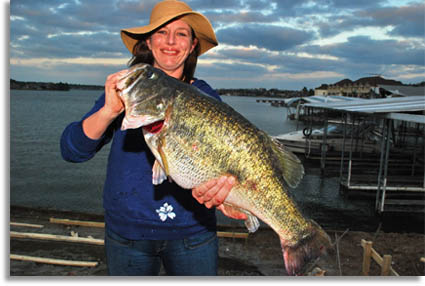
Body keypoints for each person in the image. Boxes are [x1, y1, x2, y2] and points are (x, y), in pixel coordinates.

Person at [60, 0, 246, 276]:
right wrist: (110, 111)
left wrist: (222, 191)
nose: (171, 41)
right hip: (128, 234)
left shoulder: (207, 99)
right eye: (161, 32)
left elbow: (229, 163)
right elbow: (72, 150)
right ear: (148, 41)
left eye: (181, 33)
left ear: (193, 44)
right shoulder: (128, 89)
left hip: (193, 235)